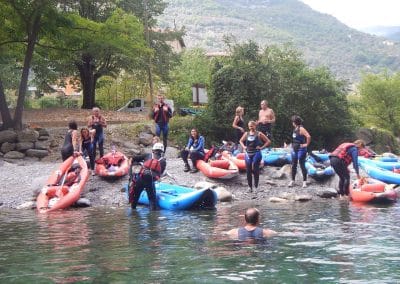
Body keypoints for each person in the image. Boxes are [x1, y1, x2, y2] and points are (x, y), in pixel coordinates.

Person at [129, 142, 166, 210]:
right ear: (162, 151)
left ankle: (133, 210)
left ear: (153, 150)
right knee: (152, 200)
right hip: (150, 180)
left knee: (136, 196)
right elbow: (159, 174)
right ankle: (153, 216)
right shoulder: (163, 161)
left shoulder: (147, 155)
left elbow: (133, 158)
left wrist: (131, 175)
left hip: (141, 178)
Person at [240, 121, 270, 192]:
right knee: (248, 170)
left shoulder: (259, 134)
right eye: (250, 126)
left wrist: (261, 147)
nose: (251, 127)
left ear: (255, 126)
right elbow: (240, 141)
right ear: (248, 127)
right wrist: (244, 146)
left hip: (256, 153)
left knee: (255, 169)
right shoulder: (246, 134)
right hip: (248, 153)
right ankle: (250, 187)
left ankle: (256, 187)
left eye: (252, 126)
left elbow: (268, 141)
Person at [289, 115, 311, 188]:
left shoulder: (301, 128)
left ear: (294, 122)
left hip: (301, 149)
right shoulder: (295, 128)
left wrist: (306, 144)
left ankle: (304, 182)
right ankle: (292, 180)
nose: (292, 123)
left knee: (302, 164)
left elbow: (308, 136)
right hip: (294, 149)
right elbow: (295, 139)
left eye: (292, 122)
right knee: (293, 165)